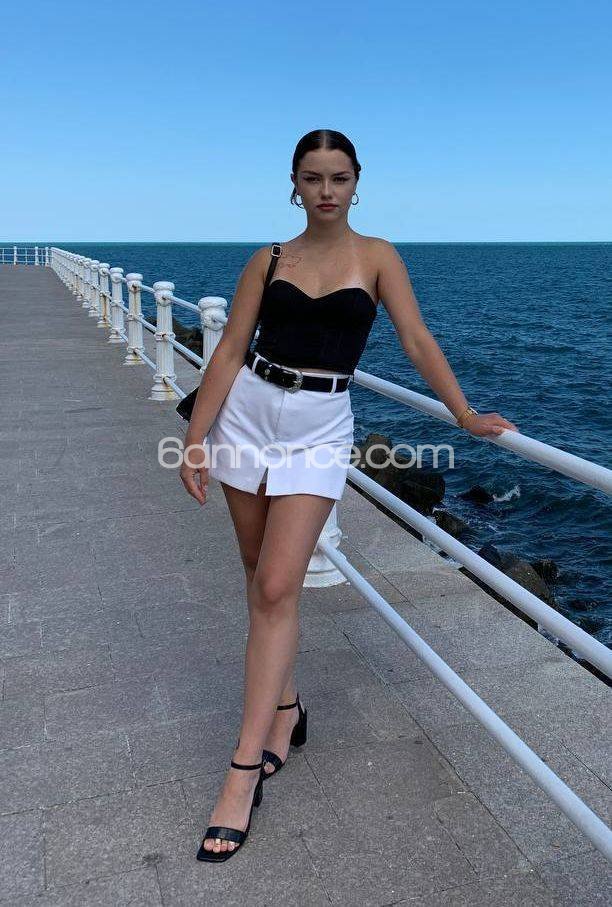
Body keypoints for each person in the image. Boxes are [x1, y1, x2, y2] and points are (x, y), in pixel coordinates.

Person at [179, 128, 519, 862]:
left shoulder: (379, 256)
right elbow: (231, 347)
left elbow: (416, 339)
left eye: (338, 177)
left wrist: (463, 414)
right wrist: (197, 437)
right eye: (312, 177)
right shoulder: (269, 259)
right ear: (294, 184)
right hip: (247, 414)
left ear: (357, 183)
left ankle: (242, 772)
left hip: (319, 426)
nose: (326, 190)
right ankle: (287, 707)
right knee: (257, 576)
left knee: (278, 584)